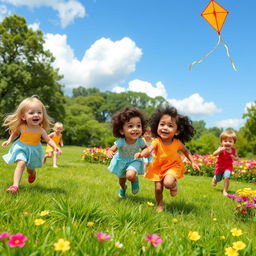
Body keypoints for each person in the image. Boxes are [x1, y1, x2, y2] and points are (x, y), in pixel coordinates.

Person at [135, 105, 200, 212]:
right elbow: (149, 149)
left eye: (170, 126)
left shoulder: (177, 143)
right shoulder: (156, 141)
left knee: (168, 183)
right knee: (158, 188)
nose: (165, 128)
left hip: (173, 166)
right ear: (157, 126)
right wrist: (141, 154)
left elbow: (186, 151)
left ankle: (173, 185)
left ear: (177, 131)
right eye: (162, 124)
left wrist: (193, 162)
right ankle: (160, 205)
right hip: (158, 167)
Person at [1, 96, 62, 193]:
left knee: (30, 169)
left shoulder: (40, 130)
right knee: (21, 163)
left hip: (34, 150)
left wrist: (55, 147)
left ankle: (32, 174)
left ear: (43, 114)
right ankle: (15, 186)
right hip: (21, 147)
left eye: (39, 112)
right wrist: (8, 140)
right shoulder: (22, 127)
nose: (36, 115)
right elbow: (15, 133)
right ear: (23, 116)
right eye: (31, 113)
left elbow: (48, 140)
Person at [107, 106, 147, 198]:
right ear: (121, 130)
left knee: (130, 175)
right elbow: (111, 149)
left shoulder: (140, 141)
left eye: (138, 125)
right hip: (121, 162)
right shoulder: (121, 141)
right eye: (130, 126)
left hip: (134, 160)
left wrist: (141, 154)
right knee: (121, 181)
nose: (135, 128)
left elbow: (145, 149)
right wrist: (109, 152)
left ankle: (134, 180)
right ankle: (123, 188)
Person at [212, 130, 239, 196]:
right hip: (220, 167)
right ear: (221, 142)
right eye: (225, 141)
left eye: (230, 141)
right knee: (218, 179)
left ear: (233, 143)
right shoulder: (221, 148)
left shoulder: (233, 150)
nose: (228, 143)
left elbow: (237, 158)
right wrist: (219, 151)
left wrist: (234, 157)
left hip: (228, 167)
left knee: (226, 177)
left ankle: (225, 191)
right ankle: (215, 178)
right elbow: (214, 154)